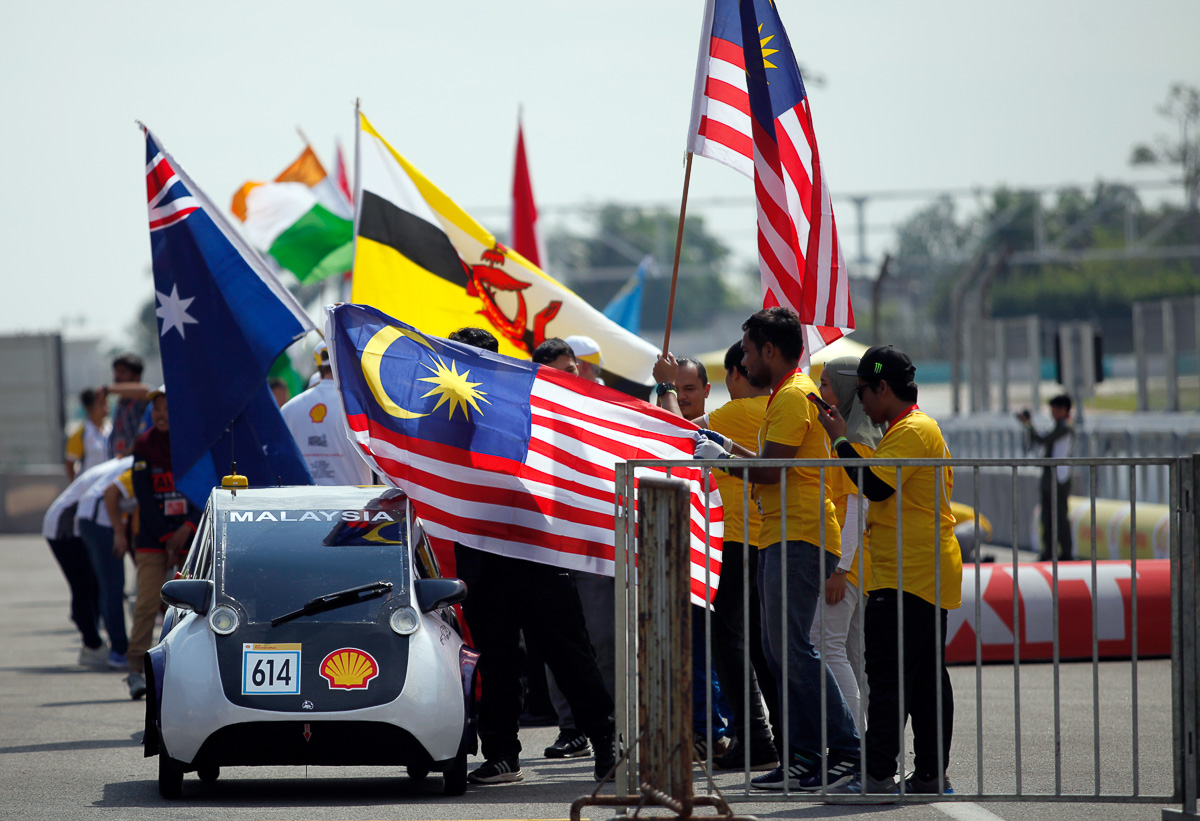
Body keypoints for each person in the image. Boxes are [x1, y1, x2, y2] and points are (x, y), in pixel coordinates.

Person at [692, 307, 859, 791]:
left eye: (747, 351)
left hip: (800, 532)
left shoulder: (791, 396)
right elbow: (772, 462)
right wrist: (727, 449)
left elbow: (771, 472)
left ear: (769, 349)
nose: (744, 361)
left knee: (792, 649)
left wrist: (722, 460)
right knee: (778, 649)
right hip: (784, 532)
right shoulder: (786, 395)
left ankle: (846, 750)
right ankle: (803, 756)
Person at [450, 330, 616, 784]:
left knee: (567, 651)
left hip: (532, 547)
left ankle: (605, 741)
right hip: (480, 550)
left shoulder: (524, 402)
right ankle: (502, 753)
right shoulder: (446, 412)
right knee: (497, 658)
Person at [815, 345, 962, 796]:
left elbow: (875, 486)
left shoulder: (912, 430)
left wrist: (840, 440)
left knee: (889, 677)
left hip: (908, 573)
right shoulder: (911, 428)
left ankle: (877, 774)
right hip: (915, 571)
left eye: (862, 392)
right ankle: (929, 774)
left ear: (882, 387)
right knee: (923, 679)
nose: (860, 402)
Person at [534, 337, 619, 763]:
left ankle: (613, 726)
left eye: (572, 369)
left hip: (594, 542)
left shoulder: (600, 408)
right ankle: (572, 729)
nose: (570, 377)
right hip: (549, 545)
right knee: (558, 643)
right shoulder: (529, 414)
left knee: (604, 638)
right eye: (559, 371)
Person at [811, 356, 885, 734]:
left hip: (849, 564)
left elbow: (857, 510)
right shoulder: (855, 433)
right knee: (854, 658)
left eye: (825, 384)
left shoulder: (856, 441)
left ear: (844, 388)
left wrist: (839, 568)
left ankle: (853, 741)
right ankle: (868, 746)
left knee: (824, 644)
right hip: (858, 563)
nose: (819, 390)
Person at [126, 386, 201, 700]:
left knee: (194, 609)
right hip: (153, 539)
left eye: (168, 409)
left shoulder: (195, 443)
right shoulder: (143, 444)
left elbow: (204, 490)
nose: (161, 415)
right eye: (157, 409)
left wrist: (187, 527)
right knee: (145, 604)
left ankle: (189, 670)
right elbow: (143, 496)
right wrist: (166, 537)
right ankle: (135, 670)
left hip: (191, 539)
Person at [280, 341, 373, 486]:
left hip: (303, 498)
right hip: (353, 499)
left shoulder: (288, 409)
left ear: (317, 366)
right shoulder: (360, 406)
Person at [74, 455, 134, 671]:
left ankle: (118, 648)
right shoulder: (141, 461)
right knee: (113, 587)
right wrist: (118, 532)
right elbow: (111, 492)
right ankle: (119, 650)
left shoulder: (130, 460)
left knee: (107, 587)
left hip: (91, 518)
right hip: (100, 522)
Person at [41, 466, 105, 666]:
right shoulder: (129, 468)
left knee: (91, 584)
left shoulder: (122, 465)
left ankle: (89, 638)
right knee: (84, 585)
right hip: (65, 525)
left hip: (73, 523)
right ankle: (92, 645)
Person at [1018, 394, 1075, 562]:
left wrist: (1029, 424)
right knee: (1047, 515)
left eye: (1055, 409)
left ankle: (1066, 553)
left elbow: (1043, 439)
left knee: (1060, 515)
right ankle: (1049, 550)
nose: (1052, 412)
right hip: (1049, 474)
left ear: (1063, 410)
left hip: (1058, 477)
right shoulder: (1058, 427)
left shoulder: (1065, 428)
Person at [106, 354, 152, 457]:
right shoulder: (120, 403)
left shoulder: (140, 400)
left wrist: (106, 390)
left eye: (123, 372)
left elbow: (146, 391)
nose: (117, 377)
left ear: (137, 377)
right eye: (116, 372)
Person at [65, 387, 111, 480]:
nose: (106, 407)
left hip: (108, 483)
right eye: (101, 404)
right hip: (90, 484)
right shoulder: (81, 433)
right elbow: (70, 464)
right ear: (90, 408)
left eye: (106, 403)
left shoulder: (111, 429)